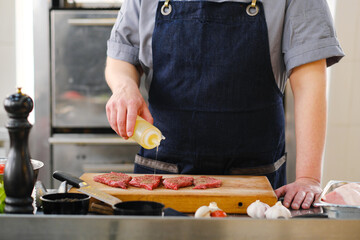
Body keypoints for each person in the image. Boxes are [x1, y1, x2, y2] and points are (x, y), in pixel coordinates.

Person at [105, 0, 344, 210]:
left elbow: (309, 83)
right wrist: (124, 87)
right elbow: (122, 58)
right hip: (162, 175)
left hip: (254, 181)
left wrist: (308, 178)